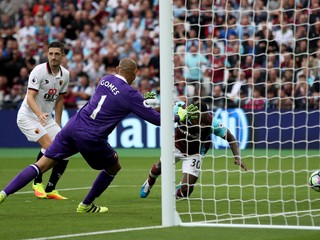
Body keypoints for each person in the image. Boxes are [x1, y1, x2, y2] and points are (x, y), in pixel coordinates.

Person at [0, 58, 197, 213]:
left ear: (117, 69)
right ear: (135, 74)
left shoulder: (105, 79)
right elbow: (157, 119)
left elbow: (118, 98)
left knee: (42, 164)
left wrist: (143, 99)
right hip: (91, 136)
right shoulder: (131, 94)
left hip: (72, 126)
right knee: (114, 166)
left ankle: (3, 193)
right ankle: (86, 204)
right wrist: (177, 116)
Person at [140, 101, 248, 199]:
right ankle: (149, 183)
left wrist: (237, 157)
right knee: (159, 167)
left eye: (204, 121)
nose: (202, 124)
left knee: (186, 191)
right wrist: (147, 111)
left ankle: (178, 191)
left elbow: (231, 138)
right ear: (193, 115)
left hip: (195, 153)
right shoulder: (181, 110)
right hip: (176, 147)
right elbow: (163, 108)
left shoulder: (212, 123)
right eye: (200, 121)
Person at [16, 41, 70, 200]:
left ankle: (51, 188)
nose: (53, 57)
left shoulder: (65, 74)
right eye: (51, 53)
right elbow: (30, 97)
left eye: (57, 54)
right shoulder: (38, 71)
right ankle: (37, 181)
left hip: (47, 118)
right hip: (28, 117)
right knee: (52, 149)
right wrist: (39, 114)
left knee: (67, 149)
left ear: (63, 56)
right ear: (47, 54)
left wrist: (58, 124)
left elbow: (60, 100)